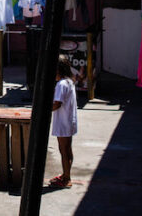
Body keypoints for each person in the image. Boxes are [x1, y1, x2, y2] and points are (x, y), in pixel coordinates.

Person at [49, 55, 77, 188]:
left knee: (63, 150)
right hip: (69, 121)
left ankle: (66, 178)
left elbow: (57, 104)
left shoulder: (61, 85)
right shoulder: (69, 82)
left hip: (63, 122)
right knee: (67, 149)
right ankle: (66, 174)